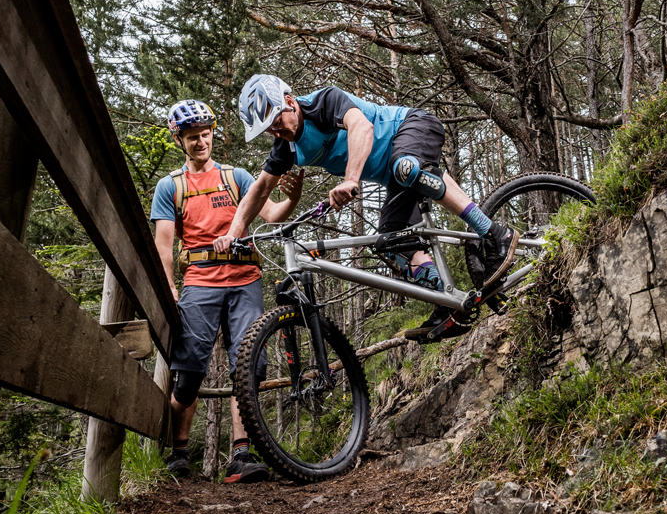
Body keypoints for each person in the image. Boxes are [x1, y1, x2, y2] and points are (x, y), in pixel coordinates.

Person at [224, 75, 517, 342]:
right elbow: (260, 189)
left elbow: (361, 126)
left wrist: (350, 180)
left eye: (276, 122)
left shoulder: (323, 102)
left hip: (413, 127)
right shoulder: (286, 148)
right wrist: (234, 234)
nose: (276, 132)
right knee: (392, 243)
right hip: (396, 175)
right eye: (268, 130)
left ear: (289, 103)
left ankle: (495, 233)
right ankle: (449, 302)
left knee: (406, 168)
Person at [151, 99, 303, 481]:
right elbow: (163, 245)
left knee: (249, 365)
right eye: (192, 137)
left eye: (205, 135)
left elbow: (271, 214)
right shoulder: (171, 186)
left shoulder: (237, 177)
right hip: (200, 282)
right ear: (179, 140)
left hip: (245, 280)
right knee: (189, 370)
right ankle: (179, 455)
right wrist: (169, 286)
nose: (201, 142)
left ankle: (242, 455)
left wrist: (294, 198)